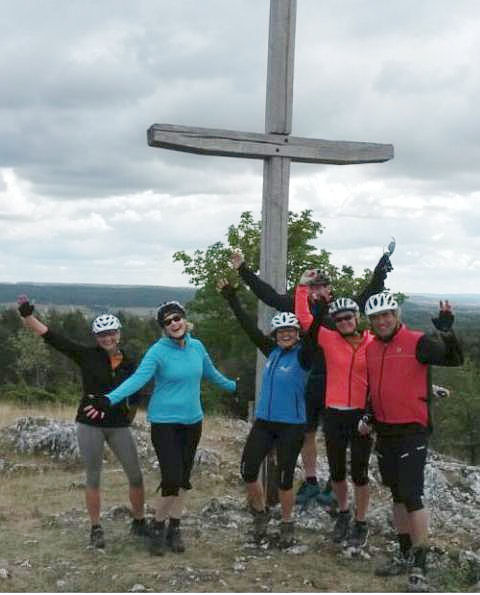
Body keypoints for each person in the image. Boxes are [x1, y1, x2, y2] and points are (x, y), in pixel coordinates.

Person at [231, 247, 393, 507]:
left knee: (336, 437)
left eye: (322, 287)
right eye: (313, 287)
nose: (317, 292)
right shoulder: (298, 306)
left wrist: (380, 275)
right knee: (307, 433)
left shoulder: (340, 311)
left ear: (330, 290)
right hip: (307, 381)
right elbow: (268, 295)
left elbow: (365, 298)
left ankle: (334, 483)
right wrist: (243, 270)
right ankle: (310, 481)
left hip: (337, 383)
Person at [83, 301, 237, 556]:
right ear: (163, 328)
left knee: (183, 480)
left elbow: (212, 374)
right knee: (171, 478)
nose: (174, 323)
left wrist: (235, 387)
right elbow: (137, 380)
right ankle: (157, 526)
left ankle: (174, 527)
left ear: (184, 320)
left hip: (193, 421)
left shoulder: (197, 346)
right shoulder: (157, 352)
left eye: (177, 318)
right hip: (165, 422)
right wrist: (108, 399)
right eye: (167, 321)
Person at [17, 296, 147, 549]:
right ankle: (95, 527)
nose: (106, 339)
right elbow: (52, 337)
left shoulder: (130, 362)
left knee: (136, 475)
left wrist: (131, 414)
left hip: (119, 425)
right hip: (90, 423)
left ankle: (139, 521)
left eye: (111, 334)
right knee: (93, 477)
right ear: (95, 337)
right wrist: (27, 316)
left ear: (118, 334)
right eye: (101, 335)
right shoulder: (86, 355)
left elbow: (138, 392)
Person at [361, 293, 463, 591]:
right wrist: (368, 415)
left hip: (412, 429)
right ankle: (405, 553)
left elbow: (454, 359)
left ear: (396, 315)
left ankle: (421, 562)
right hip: (385, 430)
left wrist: (445, 330)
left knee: (411, 494)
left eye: (387, 315)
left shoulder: (418, 342)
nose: (382, 321)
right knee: (395, 494)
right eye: (377, 318)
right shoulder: (371, 349)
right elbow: (375, 389)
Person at [218, 280, 314, 548]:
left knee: (284, 477)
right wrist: (232, 298)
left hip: (292, 425)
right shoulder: (270, 351)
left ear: (297, 334)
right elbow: (249, 327)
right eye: (281, 331)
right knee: (248, 470)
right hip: (264, 422)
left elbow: (315, 335)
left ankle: (286, 522)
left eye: (290, 331)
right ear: (275, 334)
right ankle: (260, 515)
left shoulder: (304, 357)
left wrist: (311, 298)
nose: (285, 334)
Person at [295, 288, 374, 548]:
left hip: (362, 416)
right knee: (338, 472)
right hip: (334, 414)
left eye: (348, 318)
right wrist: (303, 288)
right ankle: (343, 512)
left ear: (357, 317)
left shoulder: (372, 342)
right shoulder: (329, 340)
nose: (343, 323)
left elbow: (394, 369)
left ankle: (361, 522)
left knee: (360, 474)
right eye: (338, 319)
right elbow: (305, 319)